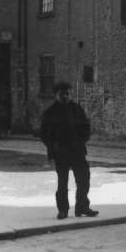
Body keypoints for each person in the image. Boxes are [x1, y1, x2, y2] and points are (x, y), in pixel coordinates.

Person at [39, 81, 98, 220]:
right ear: (56, 95)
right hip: (61, 152)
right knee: (62, 183)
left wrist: (81, 140)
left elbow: (86, 126)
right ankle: (63, 210)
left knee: (83, 179)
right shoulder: (51, 112)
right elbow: (44, 134)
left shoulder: (77, 109)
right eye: (62, 94)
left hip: (77, 151)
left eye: (67, 93)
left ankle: (82, 207)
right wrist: (53, 146)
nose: (65, 96)